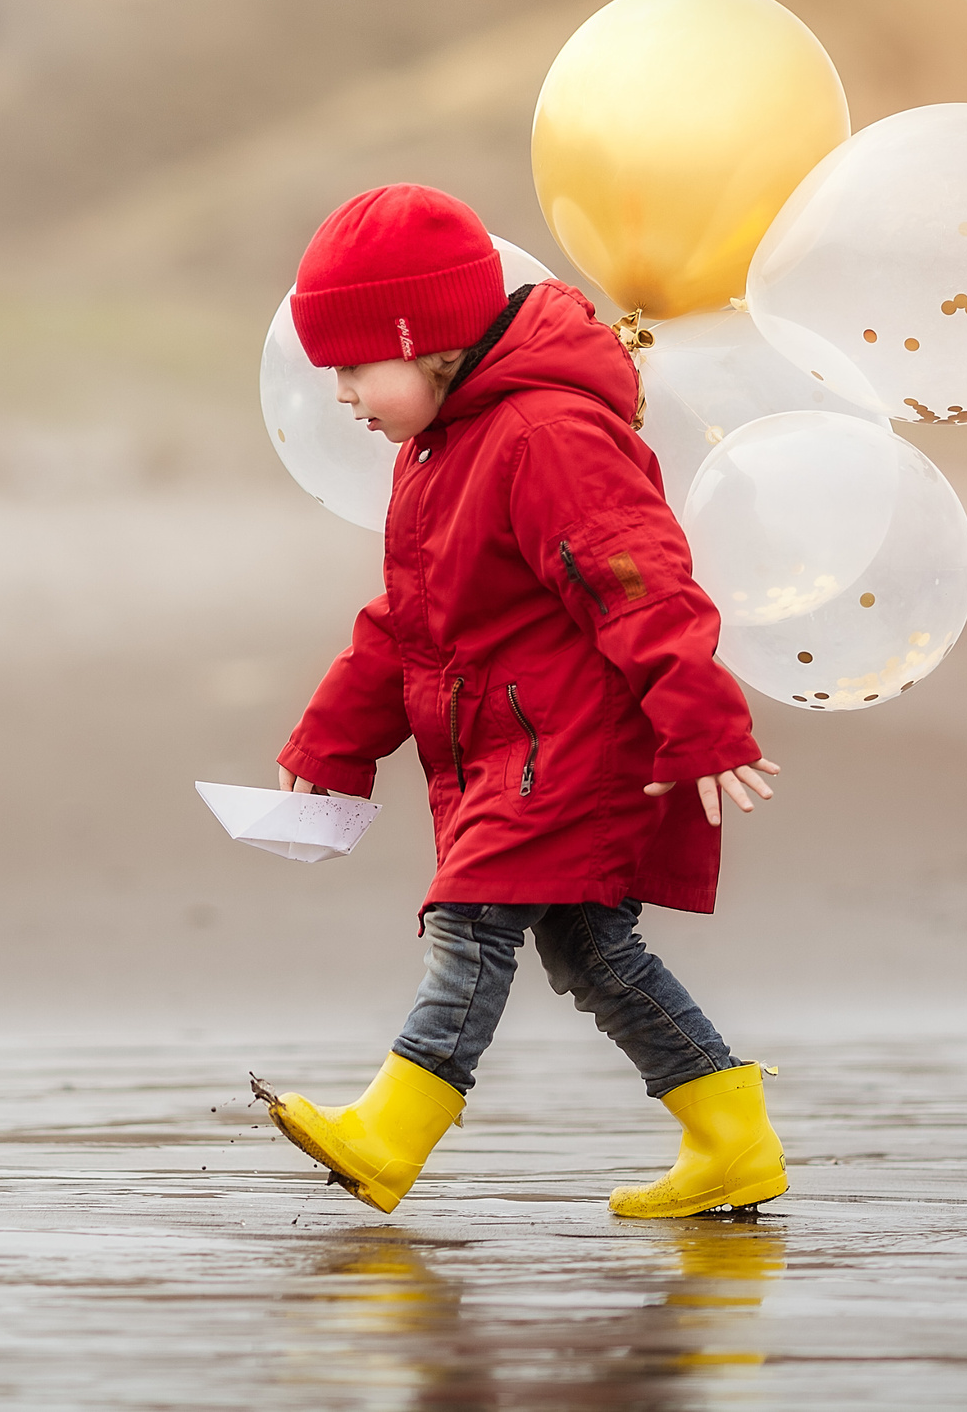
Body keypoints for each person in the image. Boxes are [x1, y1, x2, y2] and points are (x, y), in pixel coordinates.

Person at [256, 182, 785, 1219]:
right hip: (514, 746)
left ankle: (390, 1133)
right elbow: (410, 621)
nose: (343, 395)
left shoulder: (546, 436)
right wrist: (331, 743)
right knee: (593, 952)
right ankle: (733, 1139)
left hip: (570, 753)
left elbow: (640, 579)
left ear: (430, 342)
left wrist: (704, 718)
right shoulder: (442, 451)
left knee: (471, 920)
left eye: (358, 367)